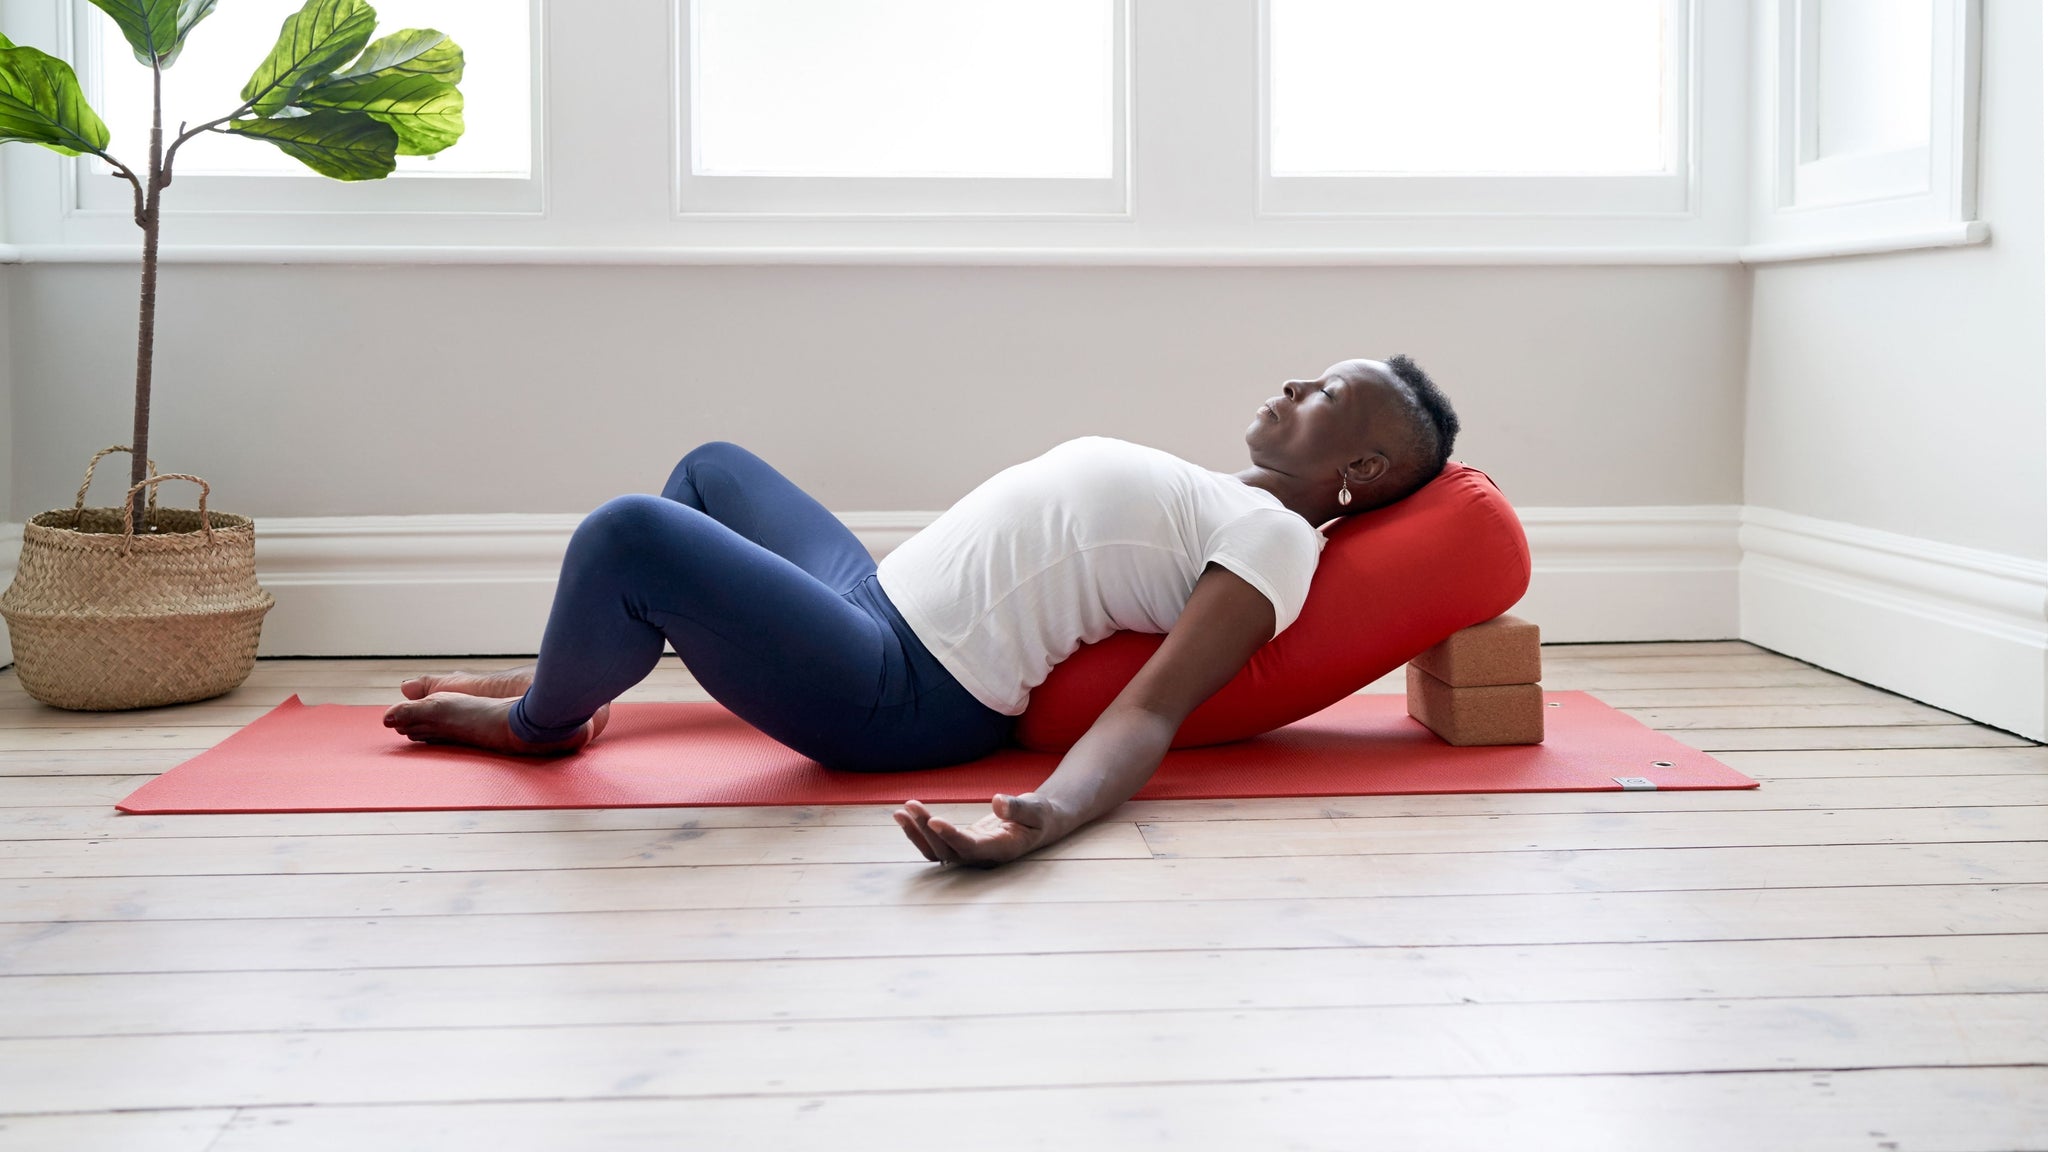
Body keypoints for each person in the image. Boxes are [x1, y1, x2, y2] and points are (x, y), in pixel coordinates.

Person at [384, 357, 1460, 867]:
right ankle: (581, 670)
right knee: (710, 470)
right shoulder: (1224, 496)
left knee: (627, 530)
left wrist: (1047, 819)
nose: (1289, 381)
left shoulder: (1272, 543)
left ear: (1360, 467)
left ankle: (545, 723)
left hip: (900, 691)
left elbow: (1149, 709)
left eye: (1323, 393)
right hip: (872, 600)